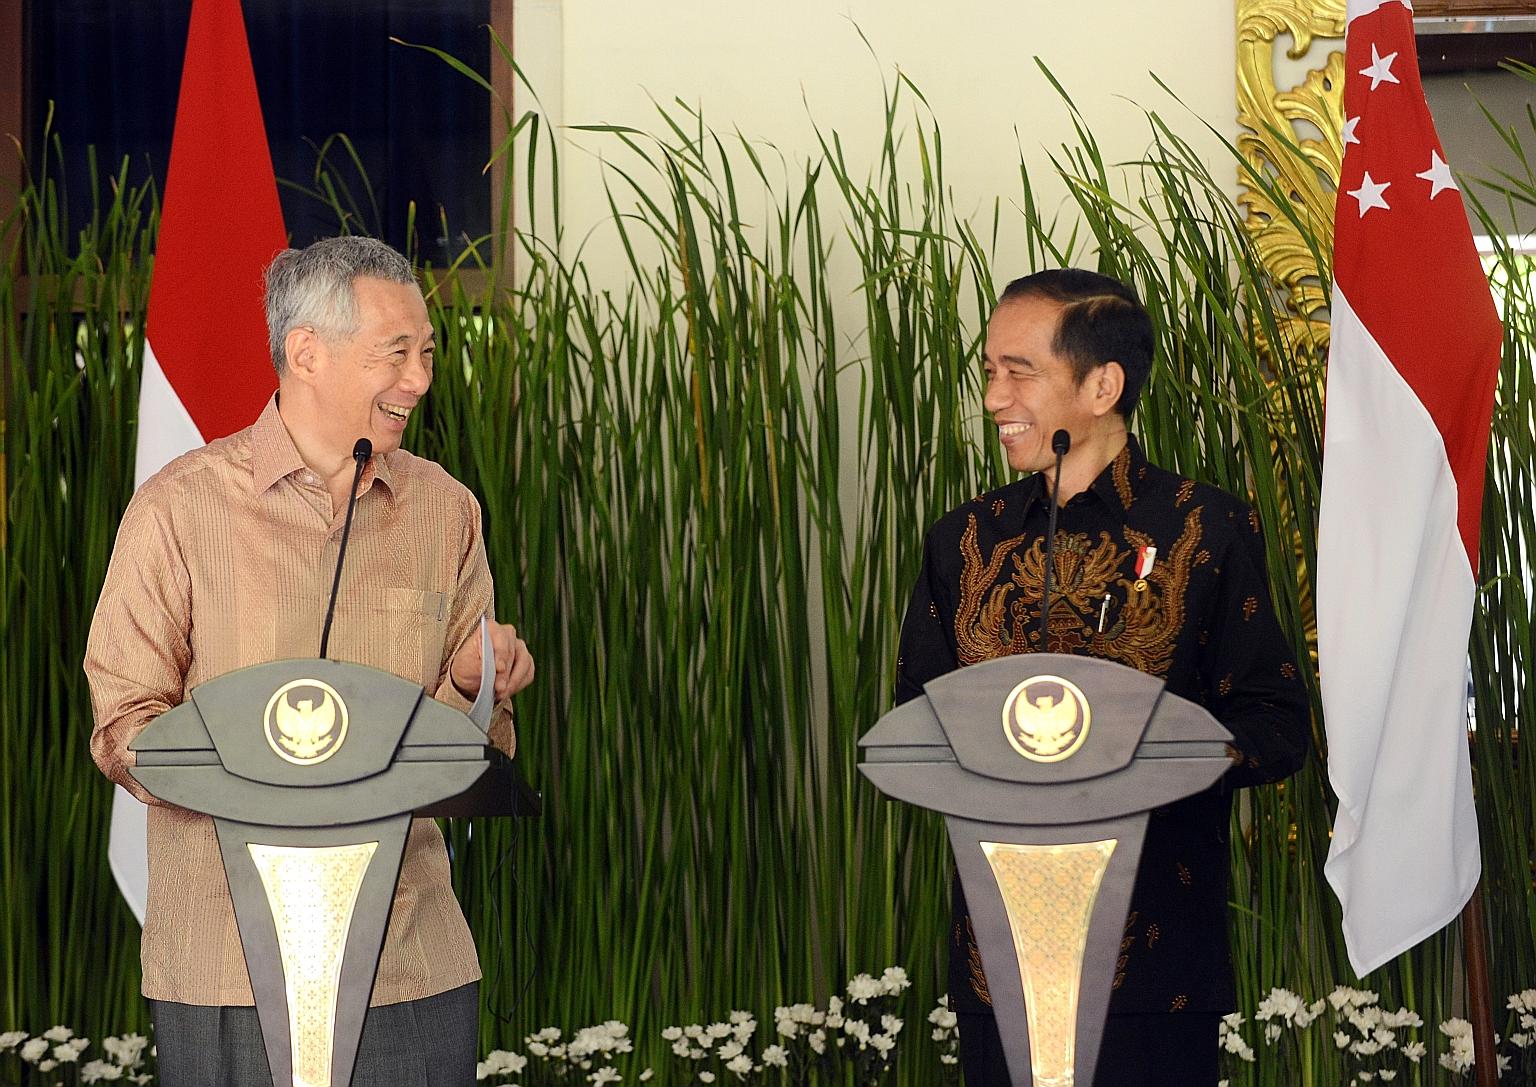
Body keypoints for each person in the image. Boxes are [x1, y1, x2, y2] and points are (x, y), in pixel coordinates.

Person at [84, 235, 534, 1086]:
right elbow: (123, 726)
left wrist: (476, 690)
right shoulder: (178, 510)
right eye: (395, 353)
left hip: (409, 964)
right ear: (305, 352)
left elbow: (479, 752)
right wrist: (265, 766)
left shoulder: (446, 512)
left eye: (427, 352)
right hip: (225, 965)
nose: (420, 379)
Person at [894, 269, 1310, 1086]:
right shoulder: (962, 541)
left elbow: (1277, 723)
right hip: (999, 965)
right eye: (988, 371)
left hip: (1155, 969)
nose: (993, 397)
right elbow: (917, 720)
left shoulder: (1205, 527)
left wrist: (1163, 755)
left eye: (1019, 371)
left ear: (1102, 385)